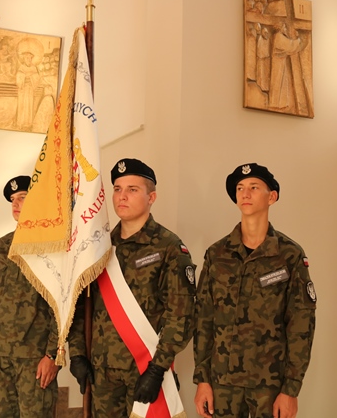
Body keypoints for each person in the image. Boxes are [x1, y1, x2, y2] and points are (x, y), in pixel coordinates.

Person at [67, 158, 197, 417]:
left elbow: (181, 316)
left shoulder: (169, 247)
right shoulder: (99, 247)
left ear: (152, 197)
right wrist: (77, 354)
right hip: (102, 372)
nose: (122, 196)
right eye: (117, 189)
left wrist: (157, 369)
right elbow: (80, 306)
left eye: (132, 189)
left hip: (145, 369)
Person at [193, 163, 316, 418]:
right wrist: (202, 380)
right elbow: (204, 318)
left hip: (269, 385)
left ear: (272, 197)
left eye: (254, 187)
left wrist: (291, 389)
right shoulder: (217, 254)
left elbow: (301, 324)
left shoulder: (289, 255)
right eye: (240, 188)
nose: (245, 193)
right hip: (222, 382)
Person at [0, 175, 60, 418]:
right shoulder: (0, 246)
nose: (15, 203)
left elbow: (61, 305)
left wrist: (53, 354)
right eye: (13, 199)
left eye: (22, 197)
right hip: (0, 353)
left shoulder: (52, 246)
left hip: (34, 356)